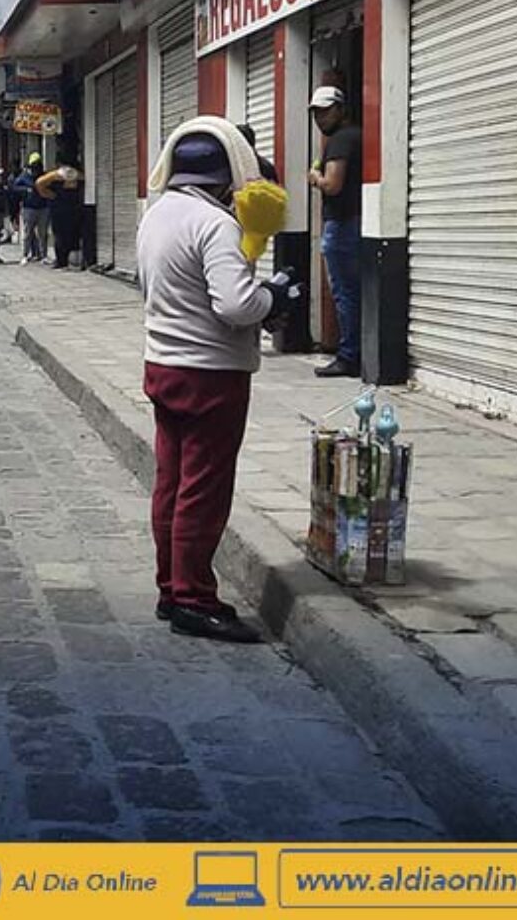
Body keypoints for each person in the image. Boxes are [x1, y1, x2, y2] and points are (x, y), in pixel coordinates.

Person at [135, 122, 286, 644]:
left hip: (163, 363)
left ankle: (169, 587)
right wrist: (275, 297)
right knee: (203, 489)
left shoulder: (156, 216)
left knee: (171, 484)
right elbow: (237, 305)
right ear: (225, 177)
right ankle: (195, 599)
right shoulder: (214, 224)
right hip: (210, 374)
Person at [308, 86, 362, 378]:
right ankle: (354, 352)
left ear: (341, 109)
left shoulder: (340, 140)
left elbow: (333, 184)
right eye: (316, 112)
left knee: (345, 292)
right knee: (352, 291)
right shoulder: (355, 136)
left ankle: (348, 356)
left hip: (342, 225)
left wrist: (315, 178)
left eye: (325, 110)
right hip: (354, 223)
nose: (320, 117)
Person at [37, 161, 86, 270]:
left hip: (63, 209)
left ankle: (64, 261)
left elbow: (39, 183)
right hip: (68, 209)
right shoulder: (72, 175)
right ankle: (68, 260)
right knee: (67, 235)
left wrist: (48, 194)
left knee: (64, 235)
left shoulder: (57, 176)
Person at [15, 162, 51, 263]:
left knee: (43, 233)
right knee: (28, 233)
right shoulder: (24, 177)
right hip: (29, 208)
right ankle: (25, 255)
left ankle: (43, 255)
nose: (36, 171)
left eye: (37, 169)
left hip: (43, 207)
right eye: (34, 169)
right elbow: (15, 187)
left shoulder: (44, 177)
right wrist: (26, 190)